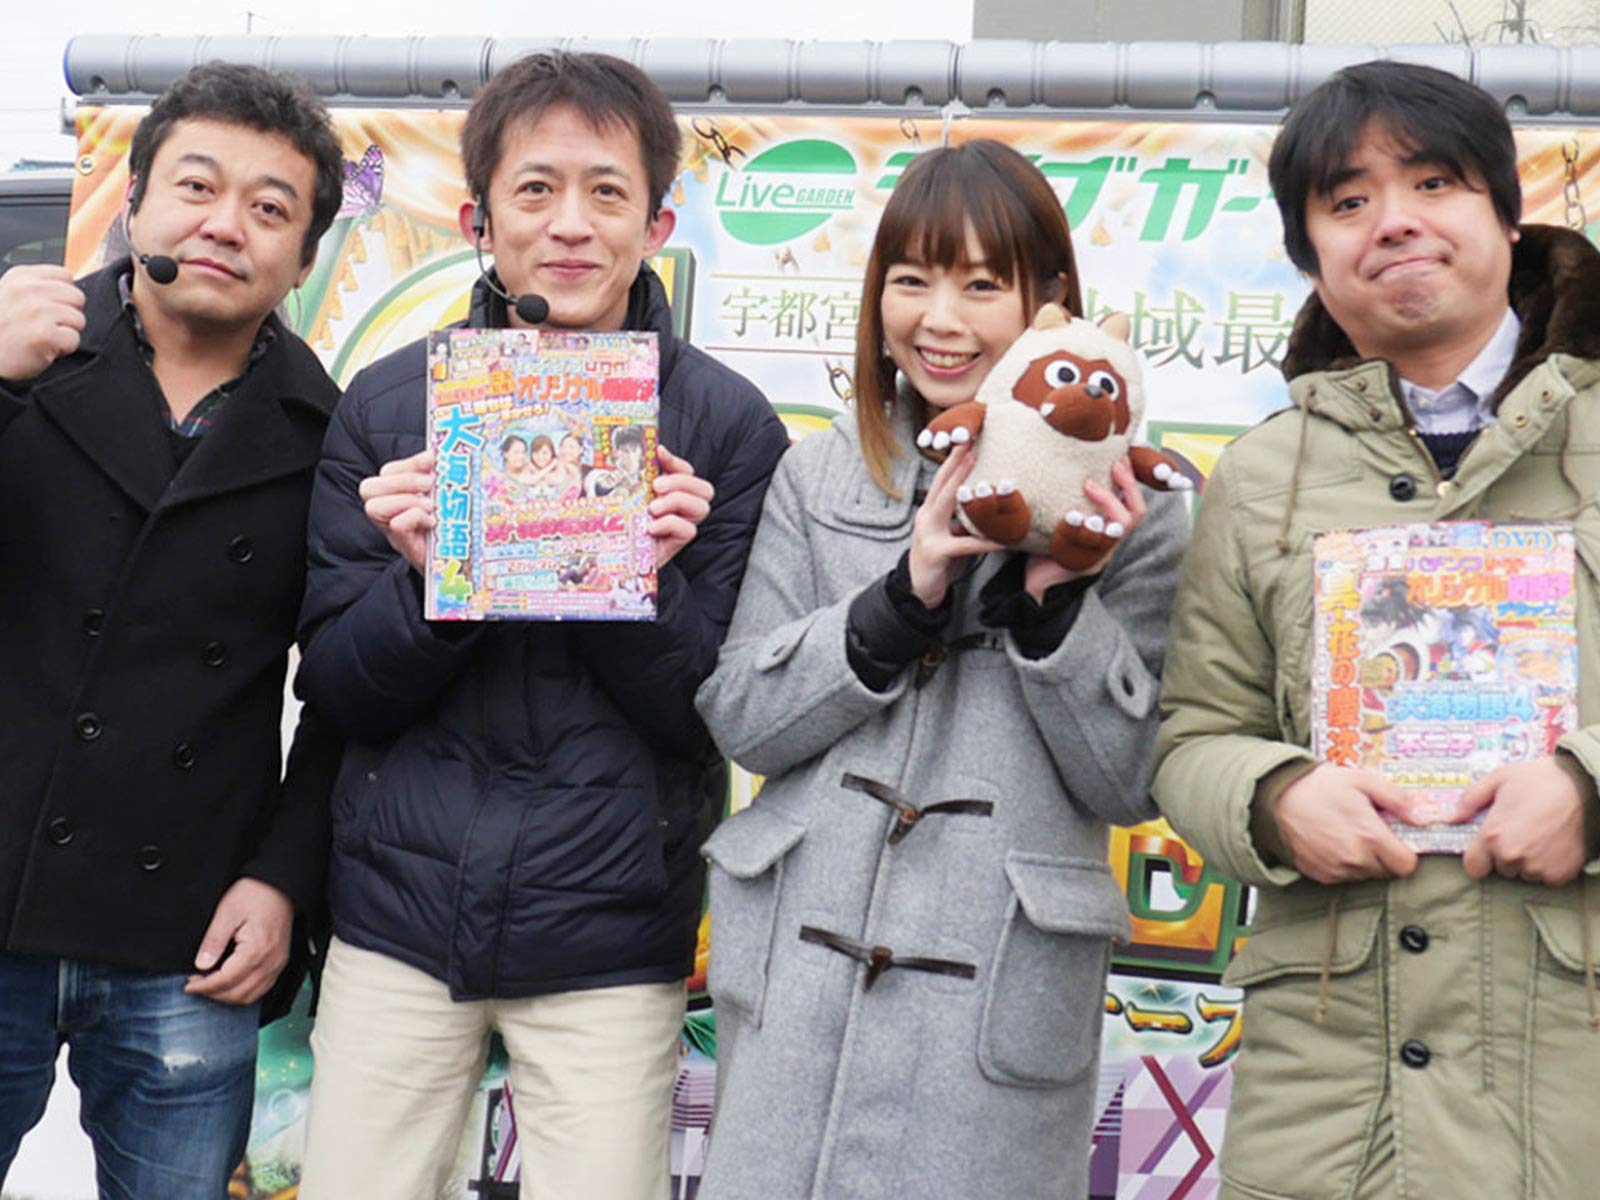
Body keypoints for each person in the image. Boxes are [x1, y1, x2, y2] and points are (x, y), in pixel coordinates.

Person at [295, 50, 787, 1200]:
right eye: (535, 188)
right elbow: (338, 685)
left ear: (656, 222)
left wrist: (640, 580)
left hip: (610, 937)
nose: (570, 223)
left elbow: (717, 717)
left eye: (606, 191)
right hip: (396, 925)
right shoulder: (389, 405)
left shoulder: (725, 428)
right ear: (479, 218)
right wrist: (431, 583)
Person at [693, 140, 1189, 1199]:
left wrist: (1056, 604)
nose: (940, 320)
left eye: (981, 284)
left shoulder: (1134, 512)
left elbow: (1131, 780)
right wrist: (897, 599)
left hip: (997, 1000)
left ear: (1049, 305)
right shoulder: (819, 475)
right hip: (797, 991)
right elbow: (743, 718)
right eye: (912, 280)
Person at [1152, 60, 1600, 1199]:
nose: (1393, 221)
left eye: (1434, 183)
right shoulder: (1260, 476)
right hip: (1333, 1087)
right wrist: (1274, 796)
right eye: (1347, 201)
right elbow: (1192, 736)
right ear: (1310, 256)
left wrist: (1589, 787)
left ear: (1507, 213)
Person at [0, 62, 345, 1198]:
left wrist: (285, 878)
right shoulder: (23, 354)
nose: (225, 225)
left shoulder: (332, 433)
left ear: (304, 257)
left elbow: (345, 690)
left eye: (269, 207)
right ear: (135, 201)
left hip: (186, 927)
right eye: (197, 187)